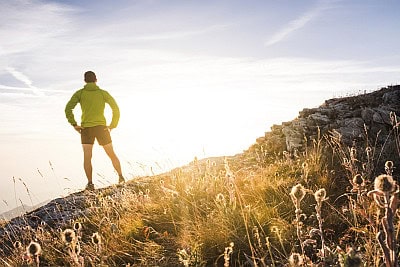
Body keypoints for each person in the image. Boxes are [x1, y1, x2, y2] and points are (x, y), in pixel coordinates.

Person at [65, 71, 125, 191]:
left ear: (84, 81)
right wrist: (113, 125)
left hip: (86, 129)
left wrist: (74, 124)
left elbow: (68, 109)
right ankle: (121, 177)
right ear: (96, 80)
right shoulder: (103, 93)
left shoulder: (80, 93)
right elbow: (115, 108)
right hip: (101, 128)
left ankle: (90, 183)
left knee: (87, 157)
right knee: (111, 154)